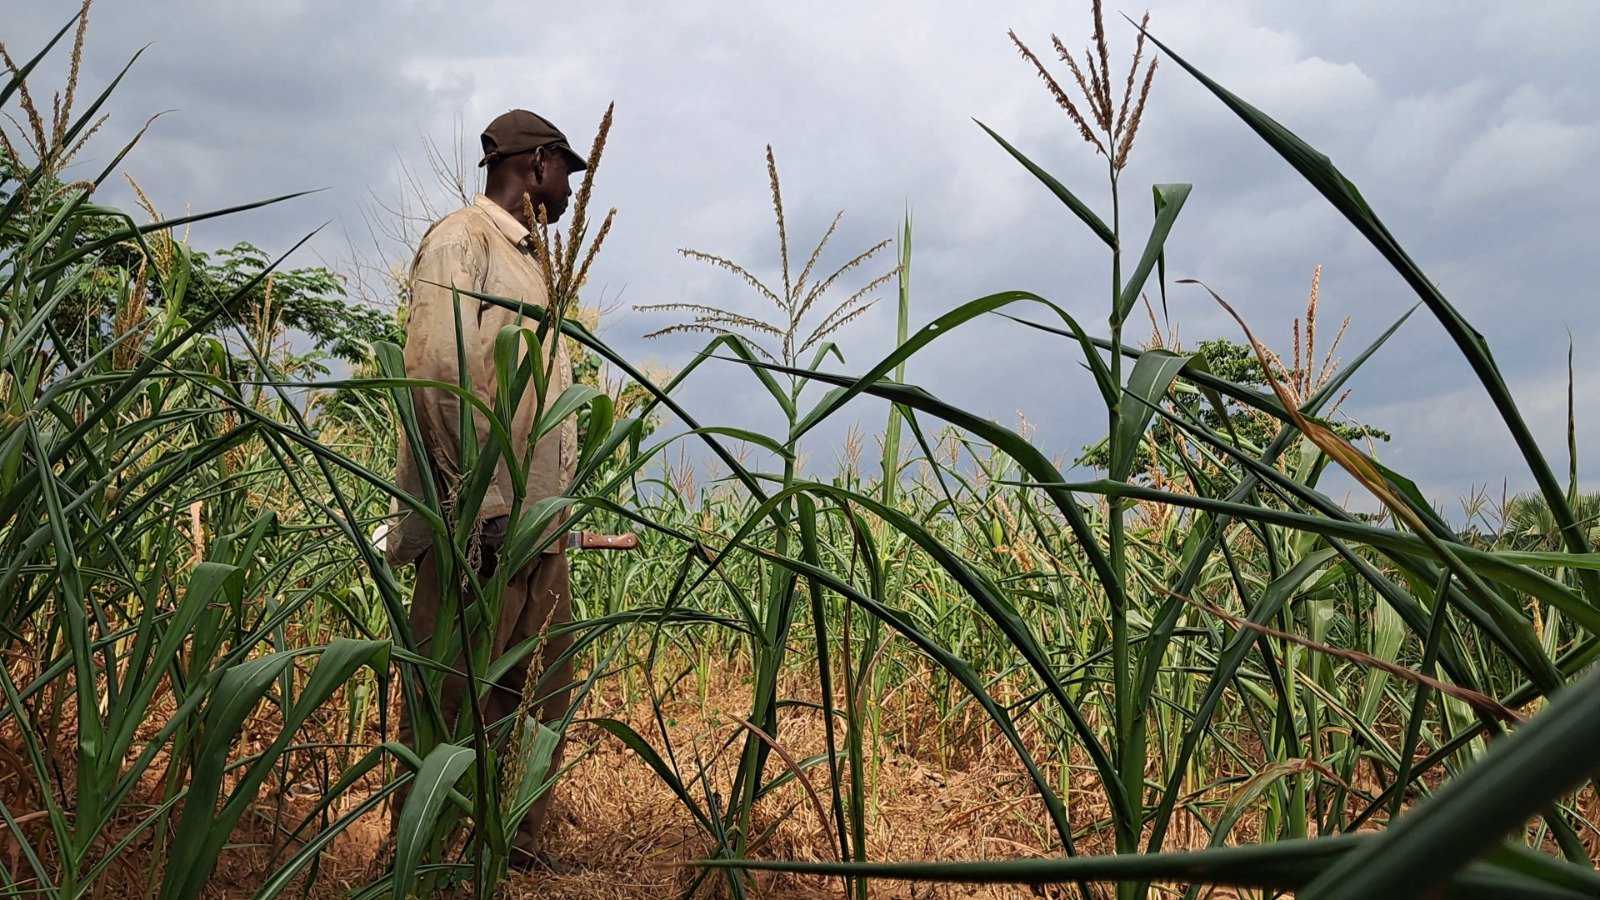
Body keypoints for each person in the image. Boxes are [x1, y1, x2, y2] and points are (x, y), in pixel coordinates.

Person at [386, 108, 586, 871]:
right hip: (481, 522)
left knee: (539, 691)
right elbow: (438, 371)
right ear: (535, 164)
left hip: (537, 523)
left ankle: (513, 842)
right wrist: (481, 501)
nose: (570, 188)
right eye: (567, 169)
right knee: (451, 694)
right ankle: (424, 852)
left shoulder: (532, 262)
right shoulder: (462, 241)